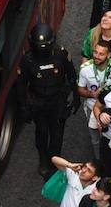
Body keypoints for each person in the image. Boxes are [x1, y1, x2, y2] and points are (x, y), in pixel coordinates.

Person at [15, 25, 77, 173]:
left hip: (58, 101)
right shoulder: (27, 60)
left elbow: (72, 76)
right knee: (41, 132)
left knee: (57, 134)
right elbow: (21, 85)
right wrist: (23, 107)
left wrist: (74, 96)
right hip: (38, 102)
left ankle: (55, 160)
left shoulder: (61, 54)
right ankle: (43, 159)